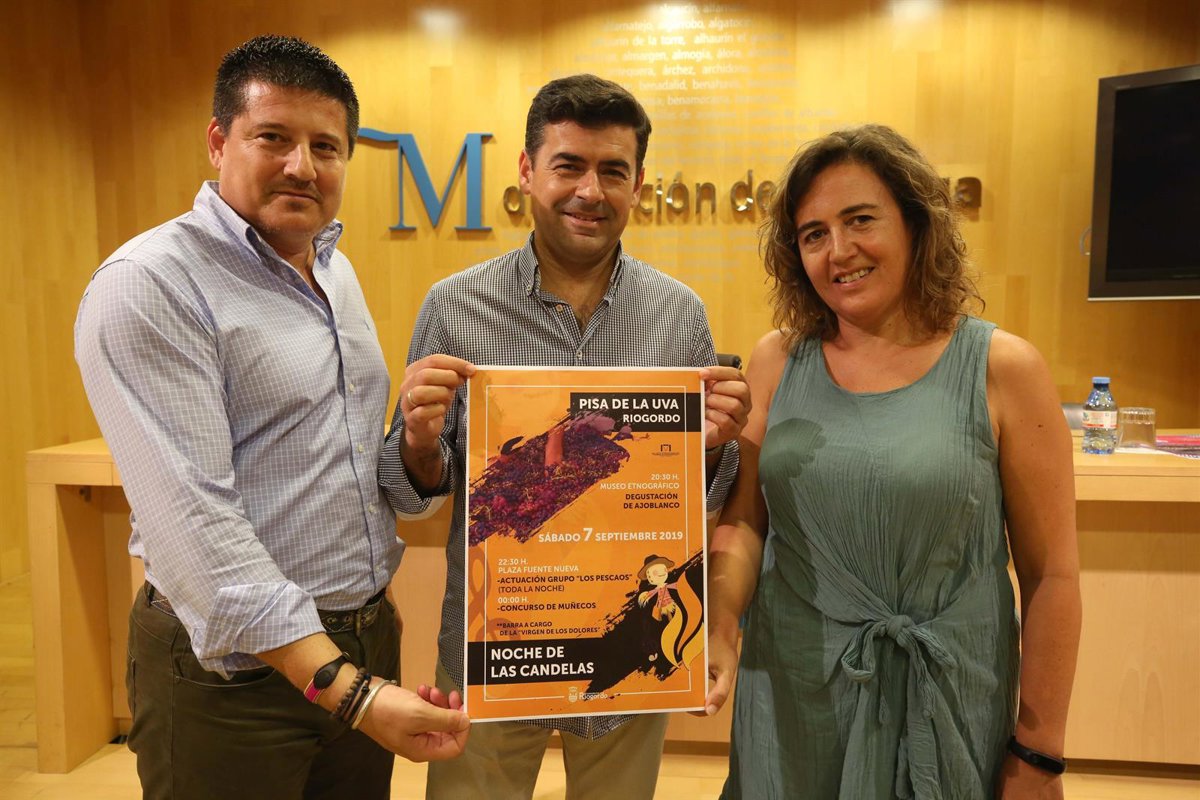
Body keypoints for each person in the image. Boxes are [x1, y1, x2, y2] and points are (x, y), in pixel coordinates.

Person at [74, 34, 468, 799]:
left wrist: (417, 448)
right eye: (274, 138)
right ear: (218, 141)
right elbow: (198, 533)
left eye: (326, 147)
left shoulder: (333, 269)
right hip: (233, 678)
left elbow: (353, 472)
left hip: (360, 642)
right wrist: (352, 692)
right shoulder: (150, 285)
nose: (302, 166)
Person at [379, 73, 751, 799]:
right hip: (495, 647)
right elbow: (414, 490)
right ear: (527, 171)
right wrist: (420, 444)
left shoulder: (677, 314)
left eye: (613, 170)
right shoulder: (454, 306)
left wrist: (711, 444)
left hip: (627, 643)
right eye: (569, 165)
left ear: (638, 183)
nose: (590, 190)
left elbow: (708, 490)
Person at [706, 124, 1081, 799]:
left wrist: (1039, 751)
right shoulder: (776, 359)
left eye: (860, 220)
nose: (838, 251)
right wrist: (721, 625)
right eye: (813, 234)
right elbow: (746, 523)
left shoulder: (1003, 368)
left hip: (949, 700)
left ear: (915, 224)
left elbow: (1051, 575)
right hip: (791, 699)